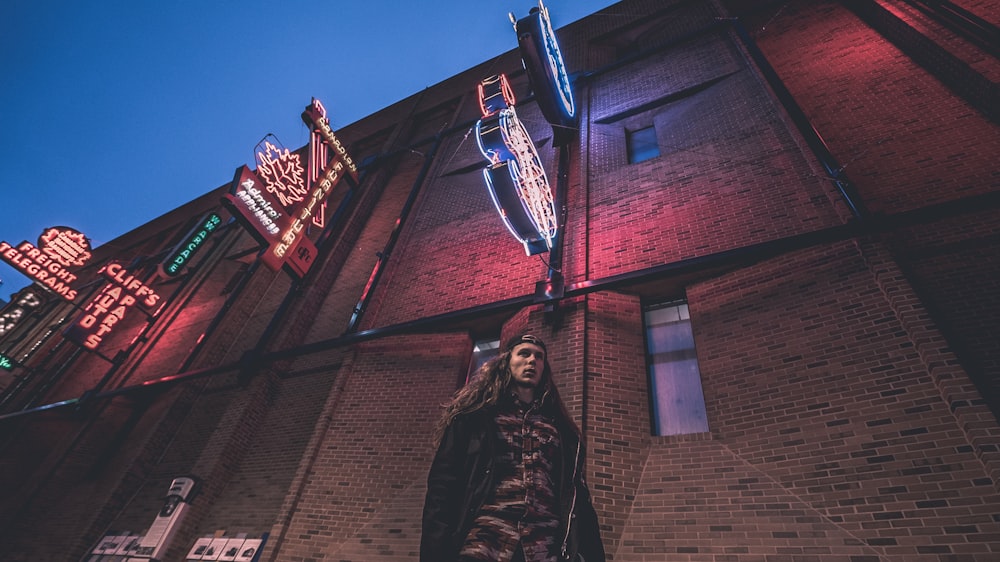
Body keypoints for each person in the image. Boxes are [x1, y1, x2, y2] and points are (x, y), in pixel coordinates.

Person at [421, 333, 606, 562]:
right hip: (484, 543)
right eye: (524, 353)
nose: (532, 361)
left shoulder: (562, 432)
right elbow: (442, 487)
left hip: (545, 548)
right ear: (507, 361)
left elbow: (579, 499)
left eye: (539, 357)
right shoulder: (473, 418)